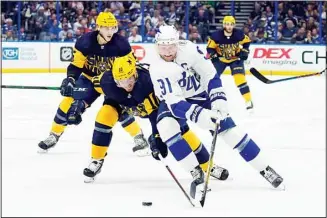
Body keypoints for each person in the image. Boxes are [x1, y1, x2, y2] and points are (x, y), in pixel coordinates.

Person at [149, 25, 284, 197]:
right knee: (166, 126)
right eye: (163, 47)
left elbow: (209, 74)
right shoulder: (158, 68)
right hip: (176, 102)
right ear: (156, 46)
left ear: (178, 43)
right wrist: (203, 116)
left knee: (230, 132)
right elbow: (175, 105)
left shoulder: (189, 49)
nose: (167, 52)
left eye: (171, 46)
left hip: (200, 95)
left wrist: (219, 99)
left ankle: (265, 169)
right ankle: (195, 172)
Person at [66, 52, 229, 183]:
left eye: (128, 79)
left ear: (134, 74)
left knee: (181, 129)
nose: (125, 85)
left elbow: (154, 114)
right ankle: (96, 160)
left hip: (150, 108)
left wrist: (156, 137)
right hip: (121, 104)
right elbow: (89, 89)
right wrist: (79, 104)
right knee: (104, 116)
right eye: (119, 81)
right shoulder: (107, 81)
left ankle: (208, 166)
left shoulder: (147, 84)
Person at [38, 12, 149, 156]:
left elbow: (130, 68)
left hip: (112, 82)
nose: (110, 31)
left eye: (113, 28)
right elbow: (76, 65)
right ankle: (54, 134)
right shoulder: (85, 42)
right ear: (98, 27)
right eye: (106, 28)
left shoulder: (121, 44)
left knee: (118, 109)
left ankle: (138, 137)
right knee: (68, 102)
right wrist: (70, 79)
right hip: (89, 78)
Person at [207, 16, 254, 112]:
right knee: (212, 79)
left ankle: (248, 101)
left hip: (236, 59)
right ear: (224, 25)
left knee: (239, 79)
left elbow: (247, 42)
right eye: (227, 24)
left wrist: (244, 51)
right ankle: (207, 101)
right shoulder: (216, 36)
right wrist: (213, 55)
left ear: (234, 25)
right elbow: (210, 48)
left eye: (231, 24)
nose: (229, 27)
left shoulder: (239, 34)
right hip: (221, 60)